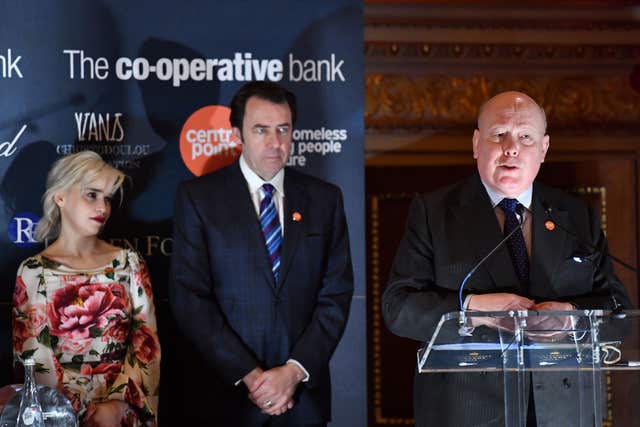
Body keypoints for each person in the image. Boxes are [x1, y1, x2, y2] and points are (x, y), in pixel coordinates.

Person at [381, 91, 632, 427]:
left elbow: (619, 310)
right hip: (469, 411)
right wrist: (473, 311)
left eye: (525, 136)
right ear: (476, 144)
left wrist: (572, 316)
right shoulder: (434, 213)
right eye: (499, 134)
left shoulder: (575, 217)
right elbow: (398, 308)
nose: (511, 147)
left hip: (564, 409)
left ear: (543, 149)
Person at [169, 81, 354, 427]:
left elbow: (337, 295)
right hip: (225, 398)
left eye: (283, 129)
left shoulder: (325, 199)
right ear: (237, 133)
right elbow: (190, 298)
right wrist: (252, 376)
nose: (275, 142)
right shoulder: (199, 198)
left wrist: (293, 372)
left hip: (301, 401)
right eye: (261, 130)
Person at [11, 151, 161, 427]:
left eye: (107, 198)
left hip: (122, 417)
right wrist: (74, 411)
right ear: (60, 197)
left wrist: (117, 405)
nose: (102, 207)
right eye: (91, 195)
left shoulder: (129, 264)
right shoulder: (33, 271)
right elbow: (34, 357)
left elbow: (146, 345)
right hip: (58, 417)